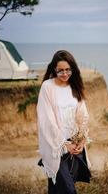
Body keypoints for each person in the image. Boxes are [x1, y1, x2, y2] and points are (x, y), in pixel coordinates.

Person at [37, 50, 91, 194]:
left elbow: (83, 116)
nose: (65, 74)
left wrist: (82, 140)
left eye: (68, 69)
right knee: (68, 189)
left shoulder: (75, 86)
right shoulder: (47, 87)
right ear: (54, 69)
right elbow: (46, 120)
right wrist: (64, 144)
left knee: (57, 189)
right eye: (60, 70)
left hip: (75, 145)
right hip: (56, 147)